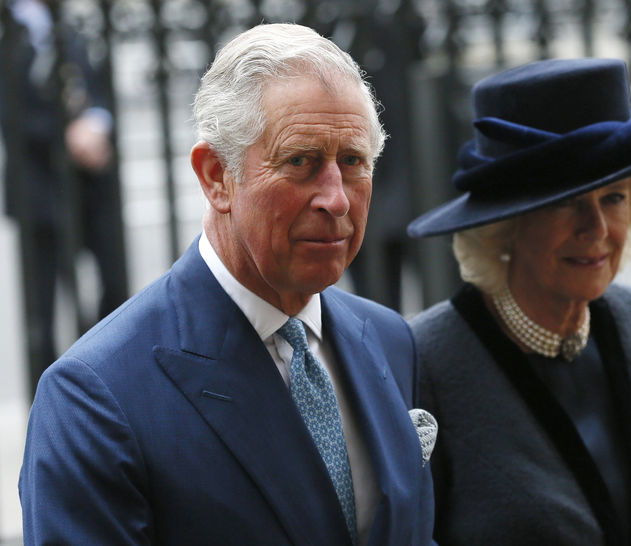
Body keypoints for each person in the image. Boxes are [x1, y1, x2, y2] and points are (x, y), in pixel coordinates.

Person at [19, 23, 435, 545]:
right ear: (216, 176)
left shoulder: (392, 341)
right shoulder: (96, 397)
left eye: (352, 162)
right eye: (301, 162)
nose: (337, 199)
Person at [406, 58, 631, 545]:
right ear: (507, 221)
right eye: (567, 202)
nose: (597, 230)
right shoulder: (427, 362)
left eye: (615, 197)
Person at [0, 0, 127, 400]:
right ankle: (54, 401)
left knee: (113, 289)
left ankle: (116, 382)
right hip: (39, 187)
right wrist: (68, 136)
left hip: (92, 185)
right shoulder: (12, 26)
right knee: (44, 309)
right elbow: (13, 113)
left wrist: (98, 122)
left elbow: (98, 82)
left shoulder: (74, 21)